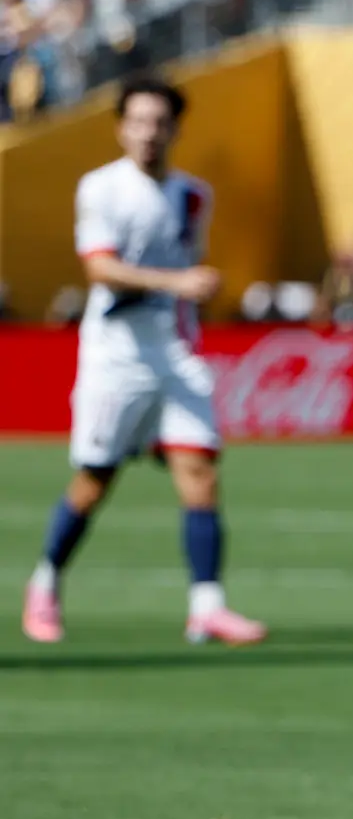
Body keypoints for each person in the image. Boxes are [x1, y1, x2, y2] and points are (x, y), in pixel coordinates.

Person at [20, 73, 267, 647]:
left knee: (200, 470)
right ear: (121, 128)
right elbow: (99, 268)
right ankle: (46, 583)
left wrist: (193, 297)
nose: (148, 134)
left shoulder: (194, 195)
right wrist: (177, 282)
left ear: (176, 129)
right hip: (117, 355)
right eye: (137, 123)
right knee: (95, 479)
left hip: (174, 352)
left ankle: (207, 606)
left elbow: (188, 267)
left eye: (158, 123)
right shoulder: (102, 189)